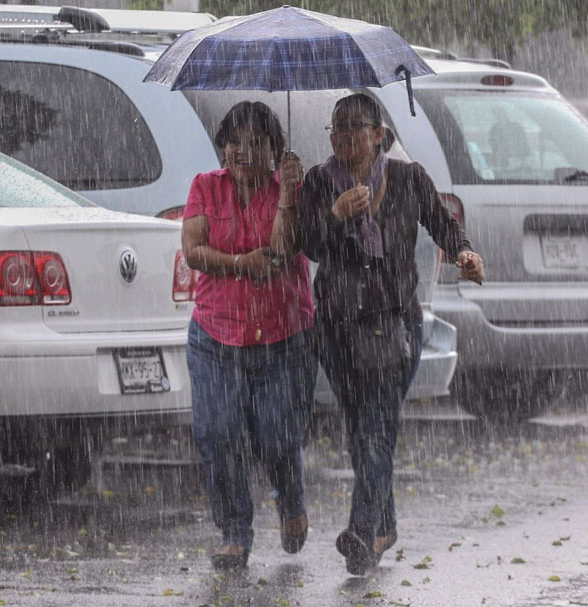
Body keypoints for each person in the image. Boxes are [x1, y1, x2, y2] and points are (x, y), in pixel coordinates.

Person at [274, 93, 485, 575]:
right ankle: (385, 526)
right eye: (336, 128)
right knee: (362, 429)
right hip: (336, 328)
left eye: (355, 127)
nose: (344, 136)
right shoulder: (318, 183)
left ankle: (362, 531)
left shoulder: (409, 179)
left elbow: (443, 227)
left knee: (376, 430)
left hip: (394, 323)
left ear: (379, 135)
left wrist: (465, 254)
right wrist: (336, 214)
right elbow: (306, 247)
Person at [182, 101, 315, 570]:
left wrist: (287, 197)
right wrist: (240, 265)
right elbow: (194, 252)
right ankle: (235, 531)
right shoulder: (204, 188)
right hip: (216, 336)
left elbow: (282, 249)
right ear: (222, 148)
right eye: (235, 141)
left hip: (283, 336)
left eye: (257, 142)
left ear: (275, 150)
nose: (244, 151)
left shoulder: (290, 191)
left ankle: (291, 499)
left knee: (277, 437)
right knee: (218, 435)